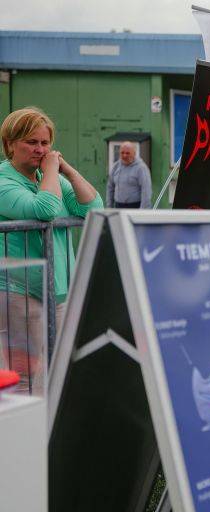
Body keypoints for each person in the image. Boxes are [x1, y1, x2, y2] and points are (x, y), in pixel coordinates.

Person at [0, 106, 103, 391]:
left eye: (45, 143)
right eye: (31, 142)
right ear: (10, 144)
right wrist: (52, 171)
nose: (40, 150)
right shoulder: (4, 182)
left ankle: (50, 418)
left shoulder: (50, 177)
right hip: (18, 291)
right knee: (26, 373)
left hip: (56, 289)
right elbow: (45, 210)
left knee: (60, 366)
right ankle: (24, 420)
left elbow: (93, 208)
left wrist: (66, 170)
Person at [106, 142, 152, 209]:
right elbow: (110, 187)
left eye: (128, 153)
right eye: (122, 153)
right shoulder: (116, 167)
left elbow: (146, 191)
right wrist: (109, 207)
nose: (124, 155)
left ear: (134, 153)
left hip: (135, 207)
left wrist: (143, 211)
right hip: (118, 206)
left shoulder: (141, 168)